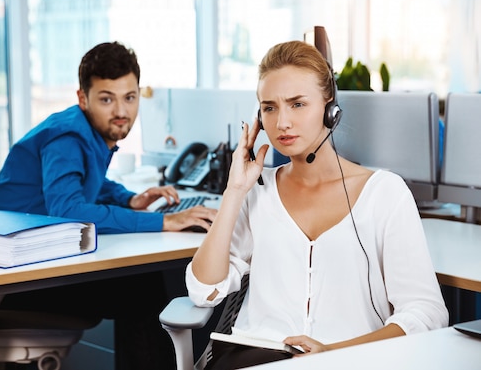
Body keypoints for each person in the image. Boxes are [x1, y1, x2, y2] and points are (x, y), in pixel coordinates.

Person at [185, 40, 449, 370]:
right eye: (269, 107)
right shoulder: (258, 191)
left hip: (352, 361)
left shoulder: (384, 194)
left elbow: (425, 312)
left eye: (297, 104)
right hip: (258, 359)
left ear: (329, 109)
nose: (282, 122)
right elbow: (204, 290)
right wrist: (234, 190)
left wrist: (334, 351)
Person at [0, 41, 217, 370]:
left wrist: (129, 199)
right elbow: (71, 210)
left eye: (129, 98)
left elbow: (87, 181)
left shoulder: (84, 130)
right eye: (107, 99)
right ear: (83, 98)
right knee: (140, 290)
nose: (121, 111)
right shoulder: (67, 138)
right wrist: (165, 222)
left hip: (24, 260)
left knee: (140, 286)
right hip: (4, 279)